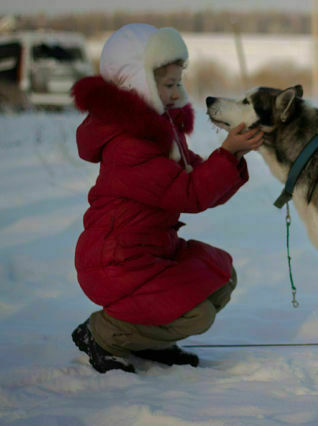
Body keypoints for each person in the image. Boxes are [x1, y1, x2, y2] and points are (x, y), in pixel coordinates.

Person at [70, 23, 263, 373]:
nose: (177, 93)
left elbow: (198, 180)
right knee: (197, 314)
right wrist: (227, 152)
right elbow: (189, 194)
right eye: (168, 84)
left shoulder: (160, 133)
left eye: (178, 82)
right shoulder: (129, 144)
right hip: (117, 264)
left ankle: (146, 340)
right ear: (137, 84)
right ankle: (103, 333)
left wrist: (233, 155)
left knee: (220, 279)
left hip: (149, 252)